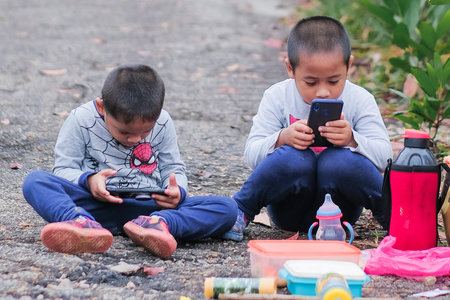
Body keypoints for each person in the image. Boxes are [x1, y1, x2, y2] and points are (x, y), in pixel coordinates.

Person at [22, 64, 237, 258]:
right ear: (101, 107)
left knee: (227, 208)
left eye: (146, 132)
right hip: (96, 204)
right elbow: (63, 168)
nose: (134, 139)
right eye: (124, 131)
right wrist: (89, 180)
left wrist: (177, 190)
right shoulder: (81, 119)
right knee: (35, 181)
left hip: (149, 207)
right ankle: (80, 222)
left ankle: (158, 226)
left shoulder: (163, 121)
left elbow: (173, 167)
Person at [221, 16, 393, 241]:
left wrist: (352, 140)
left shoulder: (360, 99)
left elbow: (385, 157)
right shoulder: (278, 96)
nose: (323, 92)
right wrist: (282, 138)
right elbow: (252, 154)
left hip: (340, 214)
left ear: (349, 66)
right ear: (290, 69)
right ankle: (239, 212)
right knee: (293, 158)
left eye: (333, 81)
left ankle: (395, 220)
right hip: (290, 211)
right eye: (311, 82)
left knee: (339, 160)